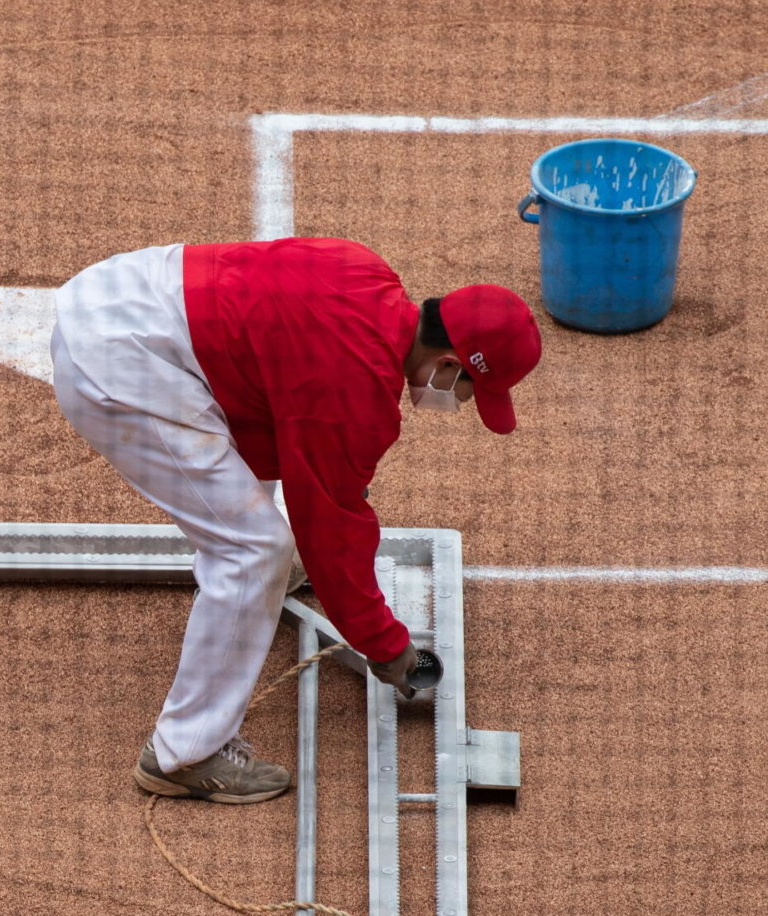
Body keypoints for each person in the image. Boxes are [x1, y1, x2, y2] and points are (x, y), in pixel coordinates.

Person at [50, 238, 540, 803]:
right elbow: (332, 529)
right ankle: (182, 754)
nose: (459, 404)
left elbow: (284, 417)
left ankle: (257, 594)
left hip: (118, 293)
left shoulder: (364, 269)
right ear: (449, 365)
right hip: (119, 369)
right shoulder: (355, 389)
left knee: (262, 524)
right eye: (467, 391)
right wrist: (385, 646)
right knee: (253, 549)